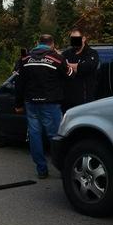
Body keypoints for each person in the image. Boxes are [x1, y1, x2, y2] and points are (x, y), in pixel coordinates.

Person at [15, 34, 73, 178]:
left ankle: (41, 170)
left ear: (37, 43)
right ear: (52, 44)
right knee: (55, 136)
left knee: (34, 135)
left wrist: (18, 103)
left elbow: (19, 83)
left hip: (31, 103)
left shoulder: (25, 59)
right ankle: (62, 168)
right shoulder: (57, 59)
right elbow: (70, 75)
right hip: (50, 103)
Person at [61, 28, 99, 112]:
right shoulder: (66, 54)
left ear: (83, 39)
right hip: (66, 103)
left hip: (84, 102)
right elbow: (61, 68)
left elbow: (86, 67)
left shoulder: (92, 53)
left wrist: (68, 65)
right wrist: (76, 66)